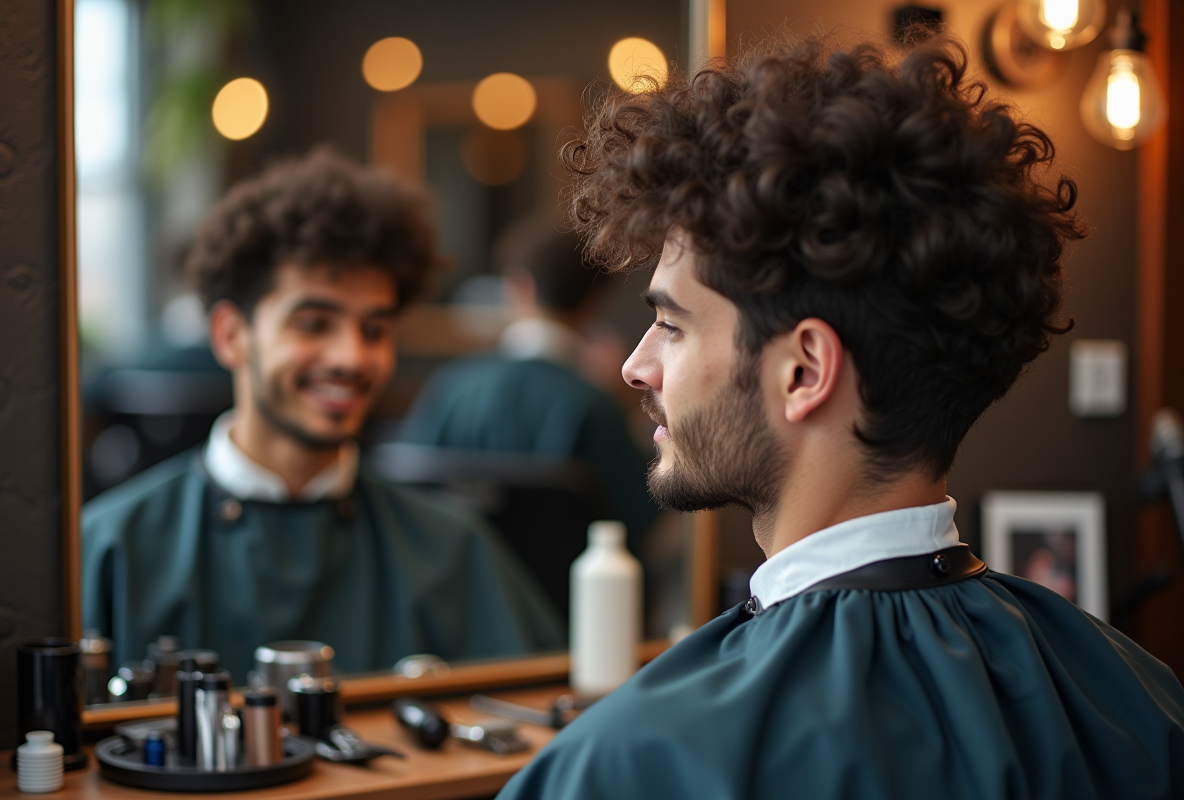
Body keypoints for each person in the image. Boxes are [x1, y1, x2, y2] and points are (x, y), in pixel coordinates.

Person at [497, 36, 1184, 799]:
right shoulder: (1137, 698)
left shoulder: (632, 764)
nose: (636, 366)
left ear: (804, 371)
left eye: (672, 326)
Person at [81, 150, 564, 681]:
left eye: (374, 329)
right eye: (313, 324)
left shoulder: (451, 548)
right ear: (230, 335)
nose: (352, 357)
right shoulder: (114, 547)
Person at [399, 221, 658, 548]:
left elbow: (407, 498)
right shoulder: (598, 406)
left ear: (518, 287)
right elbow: (639, 522)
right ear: (594, 302)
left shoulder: (449, 388)